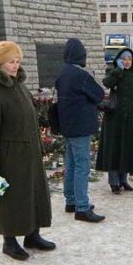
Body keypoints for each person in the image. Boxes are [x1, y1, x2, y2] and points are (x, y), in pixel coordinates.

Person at [0, 41, 54, 261]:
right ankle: (9, 242)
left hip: (29, 154)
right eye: (11, 62)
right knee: (10, 199)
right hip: (8, 157)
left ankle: (32, 234)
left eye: (17, 61)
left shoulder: (19, 85)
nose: (15, 66)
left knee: (32, 194)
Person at [55, 38, 106, 223]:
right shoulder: (80, 74)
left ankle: (71, 201)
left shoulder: (62, 73)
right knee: (82, 166)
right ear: (80, 55)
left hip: (67, 126)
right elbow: (99, 94)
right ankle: (82, 208)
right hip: (81, 126)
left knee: (71, 165)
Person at [96, 49, 133, 194]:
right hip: (114, 116)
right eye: (124, 59)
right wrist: (118, 70)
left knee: (128, 147)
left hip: (130, 116)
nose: (127, 61)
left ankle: (123, 179)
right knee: (114, 148)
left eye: (129, 59)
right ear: (119, 59)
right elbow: (107, 83)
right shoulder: (113, 70)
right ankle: (113, 181)